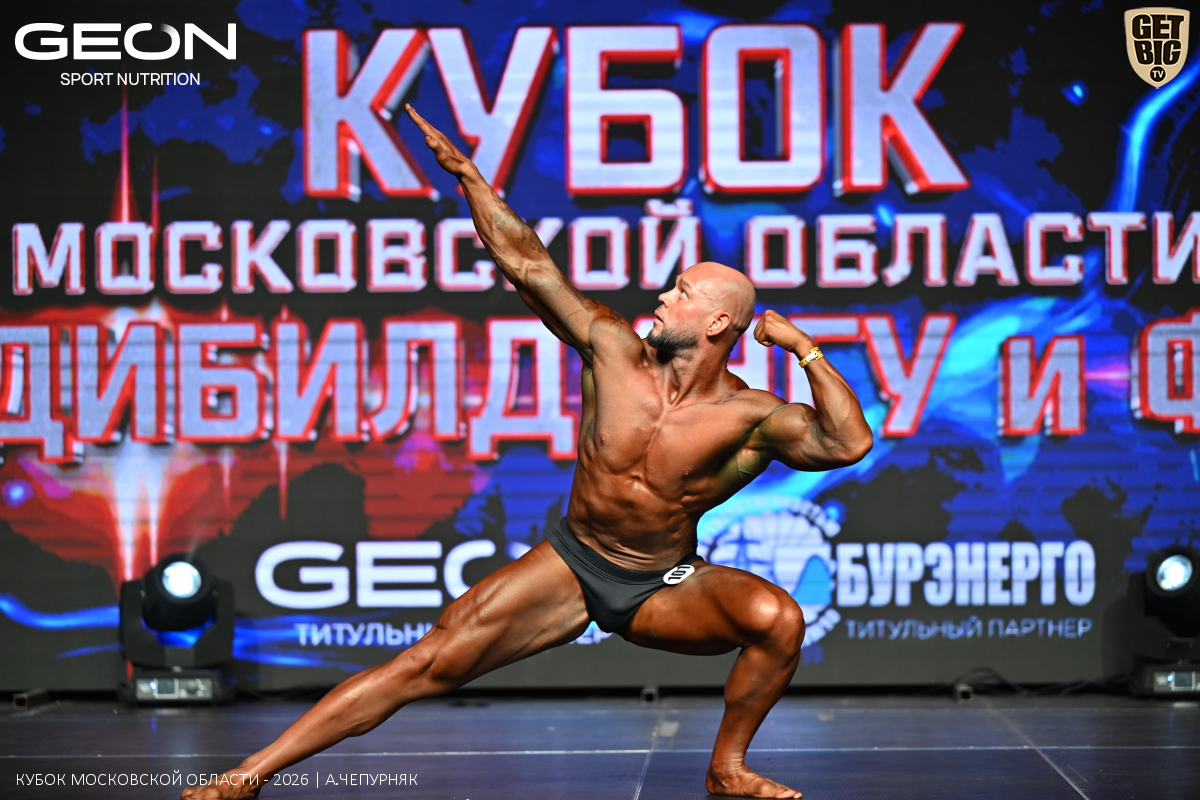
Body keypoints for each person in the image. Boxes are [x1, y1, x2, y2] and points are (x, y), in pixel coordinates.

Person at [182, 104, 872, 800]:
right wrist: (469, 177)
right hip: (572, 563)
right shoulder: (612, 351)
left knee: (778, 620)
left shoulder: (750, 417)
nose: (664, 297)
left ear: (718, 322)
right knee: (426, 663)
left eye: (683, 292)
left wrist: (805, 349)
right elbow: (526, 262)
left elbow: (849, 441)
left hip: (661, 585)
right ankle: (246, 775)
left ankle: (727, 769)